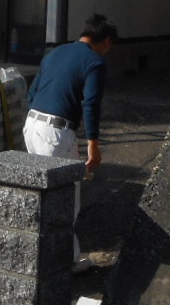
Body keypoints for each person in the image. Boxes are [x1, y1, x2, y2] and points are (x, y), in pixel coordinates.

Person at [24, 14, 115, 270]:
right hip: (55, 132)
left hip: (32, 126)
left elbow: (32, 92)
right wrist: (93, 143)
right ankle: (66, 262)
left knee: (40, 193)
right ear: (107, 41)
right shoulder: (94, 62)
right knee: (65, 198)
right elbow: (91, 104)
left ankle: (37, 254)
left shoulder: (55, 52)